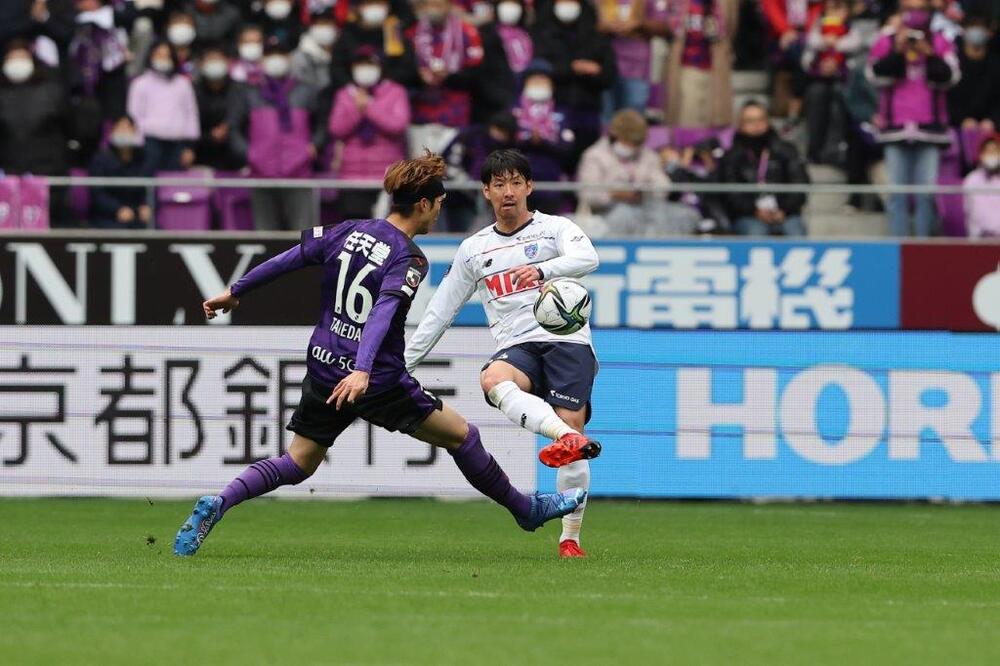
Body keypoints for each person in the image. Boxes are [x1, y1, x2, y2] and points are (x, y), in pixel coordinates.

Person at [173, 152, 586, 557]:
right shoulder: (409, 257)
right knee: (463, 436)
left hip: (324, 367)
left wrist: (237, 290)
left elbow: (292, 258)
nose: (438, 213)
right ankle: (526, 511)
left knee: (298, 462)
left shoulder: (349, 230)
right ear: (422, 204)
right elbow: (383, 311)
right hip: (376, 379)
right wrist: (363, 369)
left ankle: (220, 501)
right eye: (438, 204)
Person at [405, 149, 603, 559]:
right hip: (516, 344)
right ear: (486, 192)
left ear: (529, 186)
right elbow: (441, 310)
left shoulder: (555, 229)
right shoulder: (474, 249)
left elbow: (589, 258)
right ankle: (566, 438)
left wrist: (545, 270)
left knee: (572, 421)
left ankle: (569, 539)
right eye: (499, 184)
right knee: (493, 378)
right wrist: (403, 364)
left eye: (515, 183)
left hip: (567, 340)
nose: (508, 192)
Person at [867, 0, 959, 236]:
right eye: (909, 9)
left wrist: (929, 54)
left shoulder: (940, 40)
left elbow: (950, 78)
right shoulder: (886, 40)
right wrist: (897, 51)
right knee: (896, 193)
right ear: (900, 11)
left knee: (925, 194)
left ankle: (922, 244)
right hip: (895, 127)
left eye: (920, 9)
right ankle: (897, 243)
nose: (915, 15)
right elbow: (875, 75)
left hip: (930, 129)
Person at [229, 41, 327, 230]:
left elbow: (322, 124)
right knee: (266, 236)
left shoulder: (307, 90)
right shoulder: (250, 92)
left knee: (302, 236)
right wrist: (250, 154)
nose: (276, 59)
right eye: (270, 55)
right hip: (261, 175)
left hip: (299, 174)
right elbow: (234, 128)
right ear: (262, 60)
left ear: (289, 59)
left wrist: (313, 147)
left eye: (281, 54)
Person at [577, 109, 699, 236]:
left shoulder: (648, 156)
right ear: (615, 136)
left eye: (636, 143)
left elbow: (663, 188)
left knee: (688, 215)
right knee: (625, 214)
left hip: (644, 207)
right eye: (628, 141)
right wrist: (615, 194)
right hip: (608, 211)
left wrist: (646, 190)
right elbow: (588, 195)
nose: (632, 146)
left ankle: (659, 247)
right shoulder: (594, 156)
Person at [532, 0, 618, 173]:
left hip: (588, 112)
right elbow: (537, 71)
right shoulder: (541, 34)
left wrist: (594, 72)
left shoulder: (597, 38)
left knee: (586, 166)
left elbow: (609, 76)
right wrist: (572, 68)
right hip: (553, 111)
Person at [328, 46, 410, 220]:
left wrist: (369, 106)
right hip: (352, 176)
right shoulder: (345, 94)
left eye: (370, 64)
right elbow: (336, 129)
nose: (365, 69)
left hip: (387, 176)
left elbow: (398, 126)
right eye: (360, 64)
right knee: (355, 227)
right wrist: (357, 111)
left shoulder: (395, 92)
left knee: (386, 228)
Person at [718, 100, 810, 236]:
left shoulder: (786, 151)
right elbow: (731, 193)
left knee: (795, 233)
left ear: (768, 121)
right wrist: (754, 211)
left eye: (760, 119)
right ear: (740, 124)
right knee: (755, 233)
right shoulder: (732, 156)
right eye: (750, 121)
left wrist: (784, 209)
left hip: (786, 213)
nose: (756, 125)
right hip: (748, 216)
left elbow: (800, 184)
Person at [800, 0, 862, 165]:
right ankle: (815, 151)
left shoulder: (851, 30)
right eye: (830, 9)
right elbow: (806, 58)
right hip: (820, 80)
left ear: (848, 11)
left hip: (846, 82)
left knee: (843, 99)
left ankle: (842, 151)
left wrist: (838, 44)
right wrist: (823, 45)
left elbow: (857, 50)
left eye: (839, 8)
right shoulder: (818, 30)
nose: (835, 13)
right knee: (816, 94)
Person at [661, 0, 739, 129]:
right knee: (687, 119)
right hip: (686, 67)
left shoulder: (726, 3)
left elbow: (730, 29)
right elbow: (669, 28)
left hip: (716, 70)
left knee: (713, 120)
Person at [127, 40, 200, 173]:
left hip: (177, 143)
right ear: (150, 57)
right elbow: (133, 116)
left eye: (167, 56)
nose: (162, 59)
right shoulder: (140, 83)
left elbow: (191, 115)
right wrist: (137, 144)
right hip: (149, 142)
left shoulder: (183, 84)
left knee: (174, 182)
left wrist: (189, 147)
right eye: (159, 55)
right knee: (148, 179)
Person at [512, 58, 574, 215]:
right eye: (535, 80)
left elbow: (567, 148)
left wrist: (543, 142)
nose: (539, 84)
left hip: (550, 184)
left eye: (543, 80)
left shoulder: (561, 113)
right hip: (516, 183)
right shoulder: (513, 112)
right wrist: (528, 142)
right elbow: (503, 145)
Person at [87, 115, 154, 229]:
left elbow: (150, 189)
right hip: (107, 216)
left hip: (137, 215)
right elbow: (97, 193)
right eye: (120, 128)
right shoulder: (101, 158)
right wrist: (117, 209)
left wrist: (147, 206)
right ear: (113, 131)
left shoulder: (144, 158)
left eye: (128, 128)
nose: (124, 132)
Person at [946, 14, 1000, 135]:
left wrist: (993, 120)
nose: (976, 31)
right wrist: (962, 120)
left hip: (991, 132)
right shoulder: (951, 61)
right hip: (955, 130)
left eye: (981, 27)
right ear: (963, 31)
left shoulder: (996, 64)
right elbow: (945, 97)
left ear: (990, 33)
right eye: (972, 27)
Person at [193, 44, 241, 170]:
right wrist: (209, 136)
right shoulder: (192, 91)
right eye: (211, 59)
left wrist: (228, 127)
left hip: (235, 155)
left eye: (219, 59)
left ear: (228, 62)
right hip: (200, 155)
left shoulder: (240, 89)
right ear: (201, 64)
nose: (215, 63)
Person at [291, 8, 339, 91]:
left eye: (327, 23)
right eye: (319, 24)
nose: (324, 28)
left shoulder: (343, 49)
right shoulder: (301, 55)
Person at [964, 134, 1000, 238]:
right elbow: (972, 212)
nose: (991, 154)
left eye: (995, 151)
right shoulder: (971, 180)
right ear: (981, 155)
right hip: (979, 239)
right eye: (988, 151)